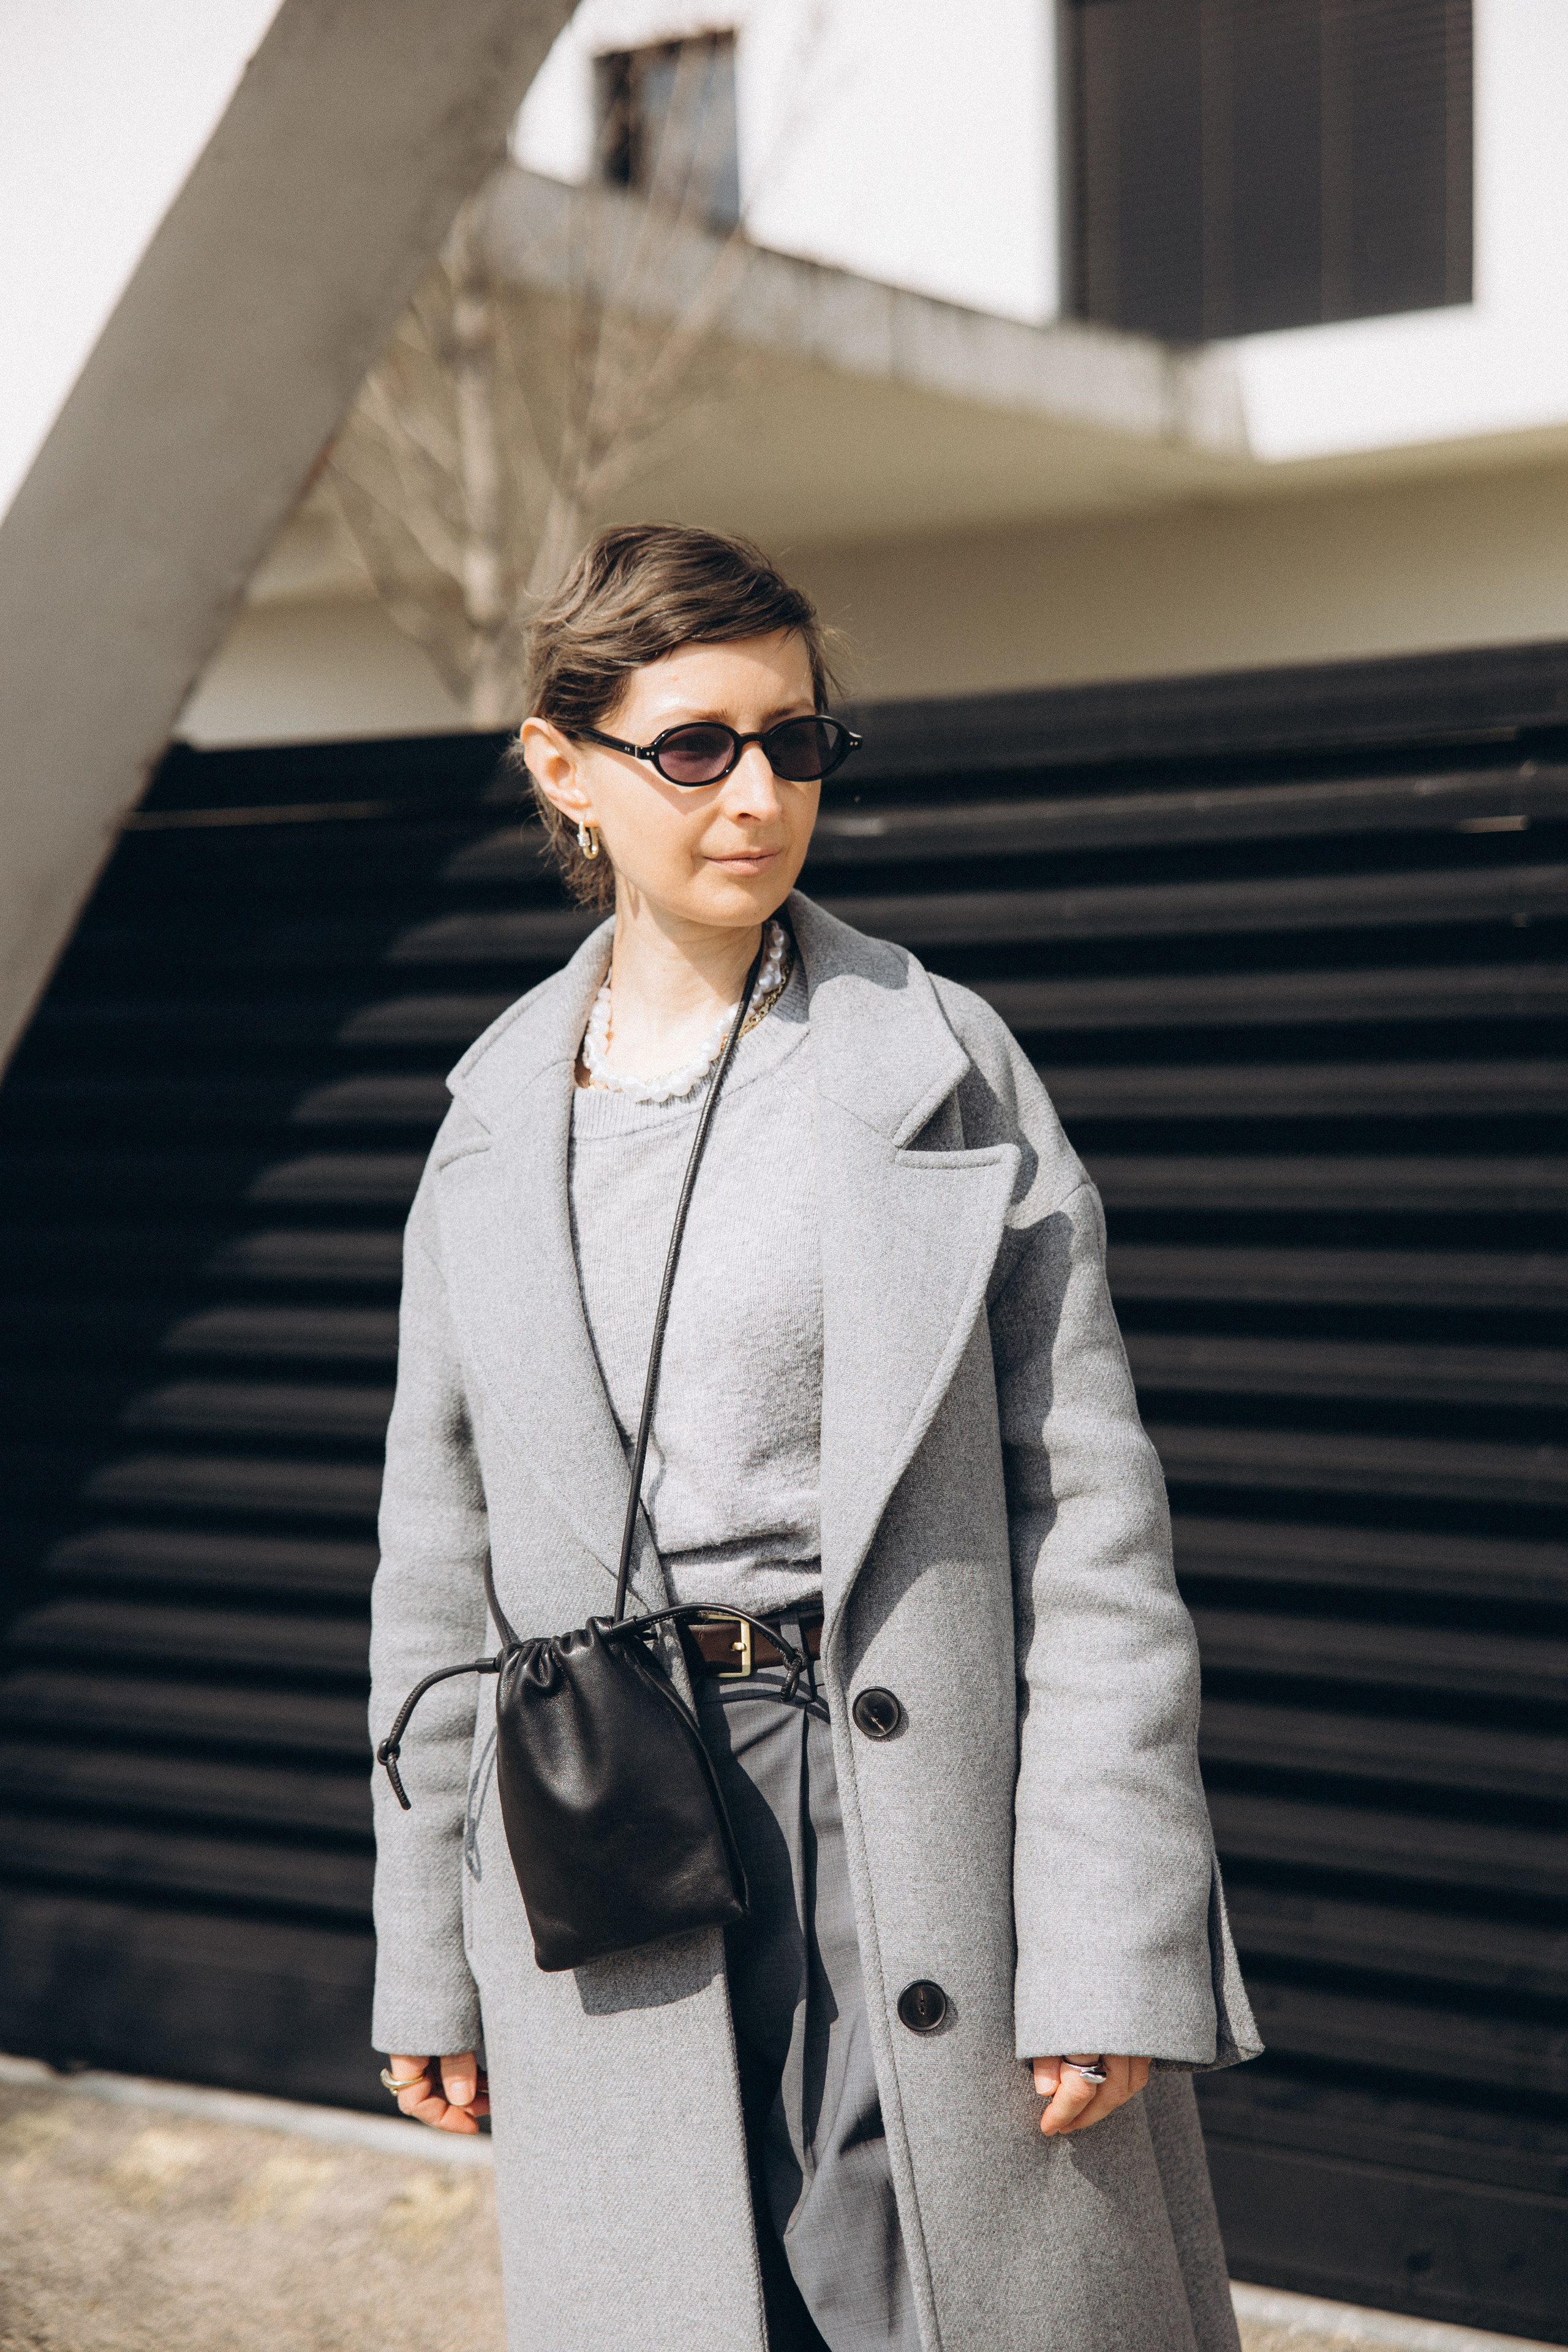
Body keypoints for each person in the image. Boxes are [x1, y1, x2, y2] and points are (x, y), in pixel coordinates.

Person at [368, 522, 1259, 2352]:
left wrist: (1111, 1932)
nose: (760, 796)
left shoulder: (939, 1063)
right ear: (562, 766)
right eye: (696, 747)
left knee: (929, 2297)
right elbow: (437, 1578)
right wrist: (424, 1957)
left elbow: (1091, 1528)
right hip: (605, 1817)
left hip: (913, 1797)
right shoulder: (490, 1129)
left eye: (795, 741)